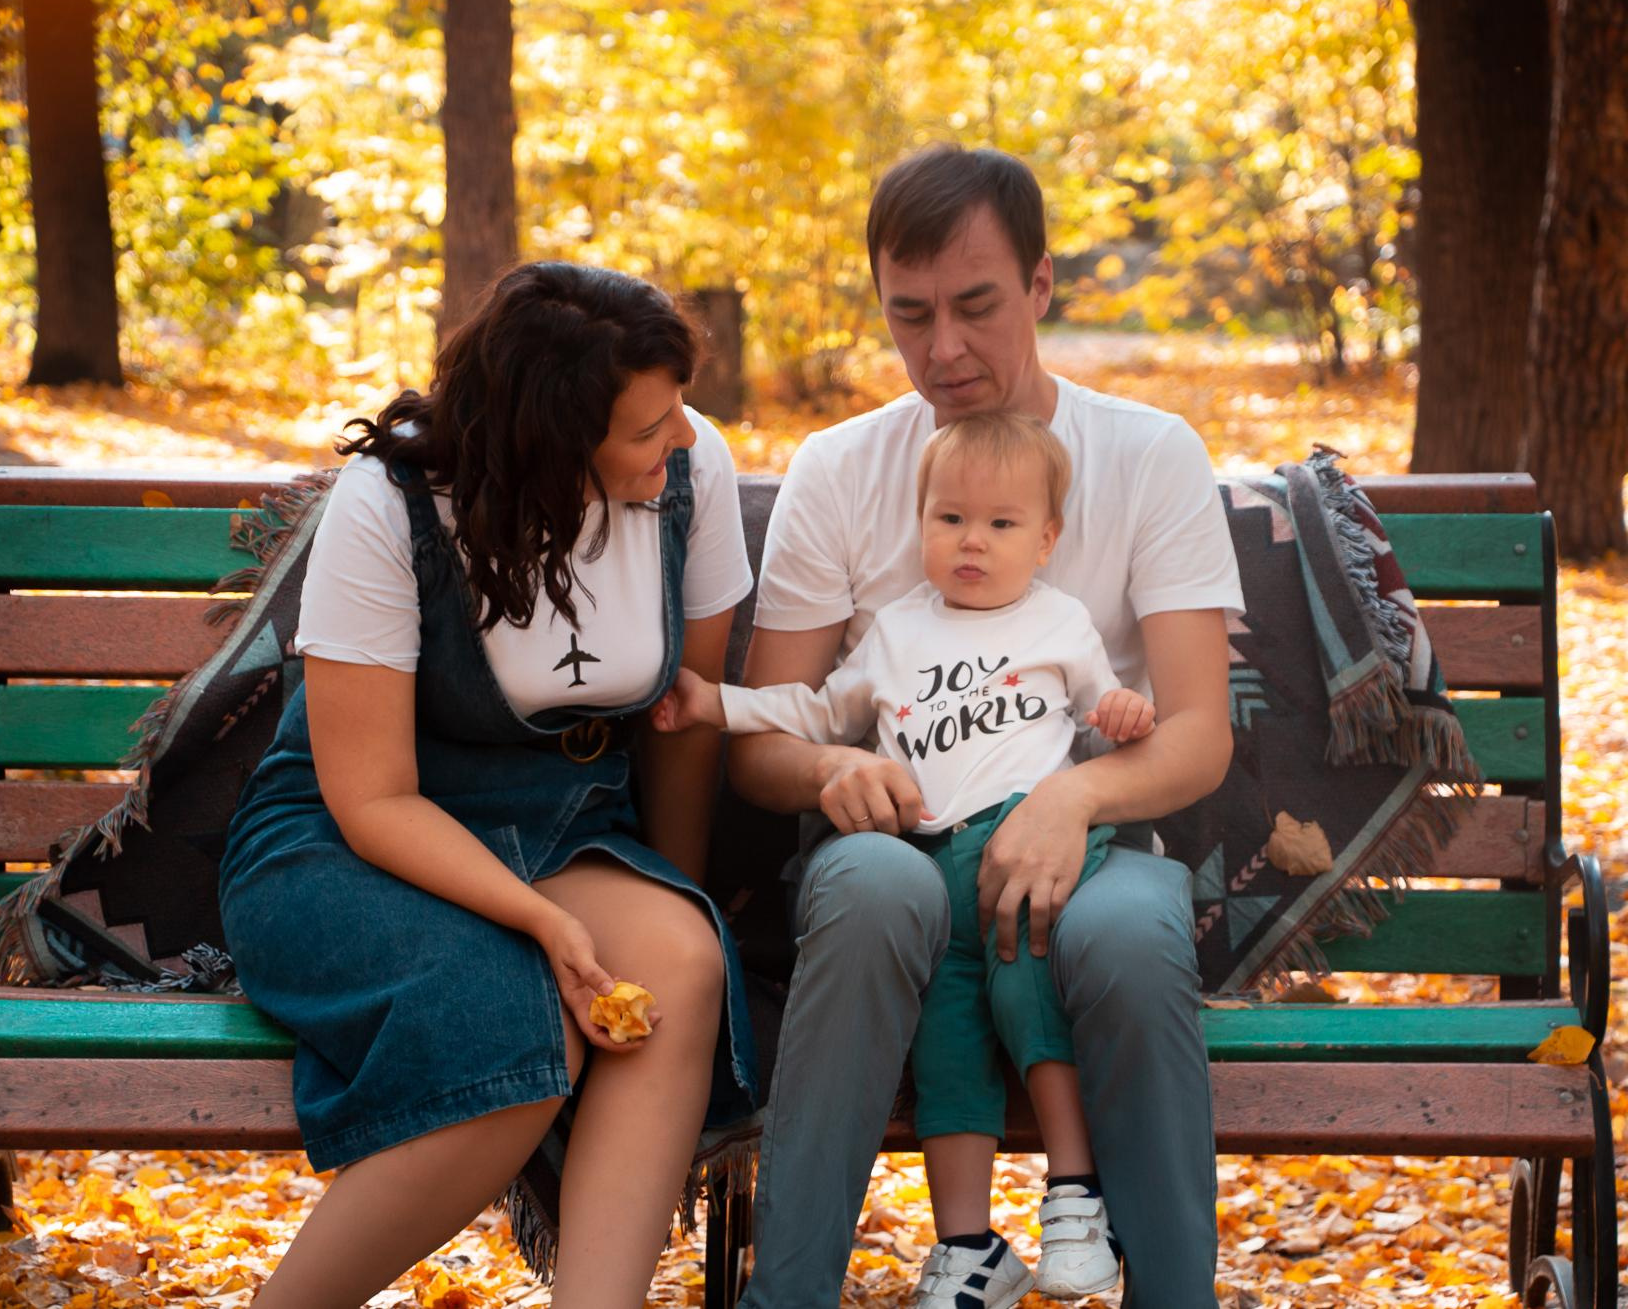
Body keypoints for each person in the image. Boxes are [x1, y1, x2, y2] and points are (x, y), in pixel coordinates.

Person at [727, 145, 1242, 1309]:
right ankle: (785, 1295)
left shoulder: (1148, 453)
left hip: (1094, 842)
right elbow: (761, 741)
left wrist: (1071, 798)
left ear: (1041, 286)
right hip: (891, 847)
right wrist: (828, 766)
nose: (941, 350)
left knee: (1117, 936)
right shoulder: (839, 468)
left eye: (974, 306)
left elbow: (1198, 729)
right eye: (908, 316)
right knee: (871, 892)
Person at [216, 261, 759, 1309]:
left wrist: (666, 886)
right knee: (517, 1020)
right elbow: (371, 797)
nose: (680, 440)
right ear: (554, 446)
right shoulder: (391, 505)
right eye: (648, 429)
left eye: (676, 412)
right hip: (347, 841)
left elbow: (678, 728)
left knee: (680, 964)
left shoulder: (689, 475)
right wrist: (543, 927)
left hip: (561, 827)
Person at [656, 413, 1154, 1305]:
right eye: (949, 518)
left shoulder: (1059, 621)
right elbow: (814, 712)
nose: (972, 540)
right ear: (919, 524)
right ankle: (969, 1247)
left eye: (1001, 524)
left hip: (1024, 859)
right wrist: (713, 702)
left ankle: (1075, 1198)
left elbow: (1102, 703)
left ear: (1046, 539)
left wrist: (1123, 715)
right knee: (947, 1047)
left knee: (1029, 991)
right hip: (927, 868)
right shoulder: (894, 631)